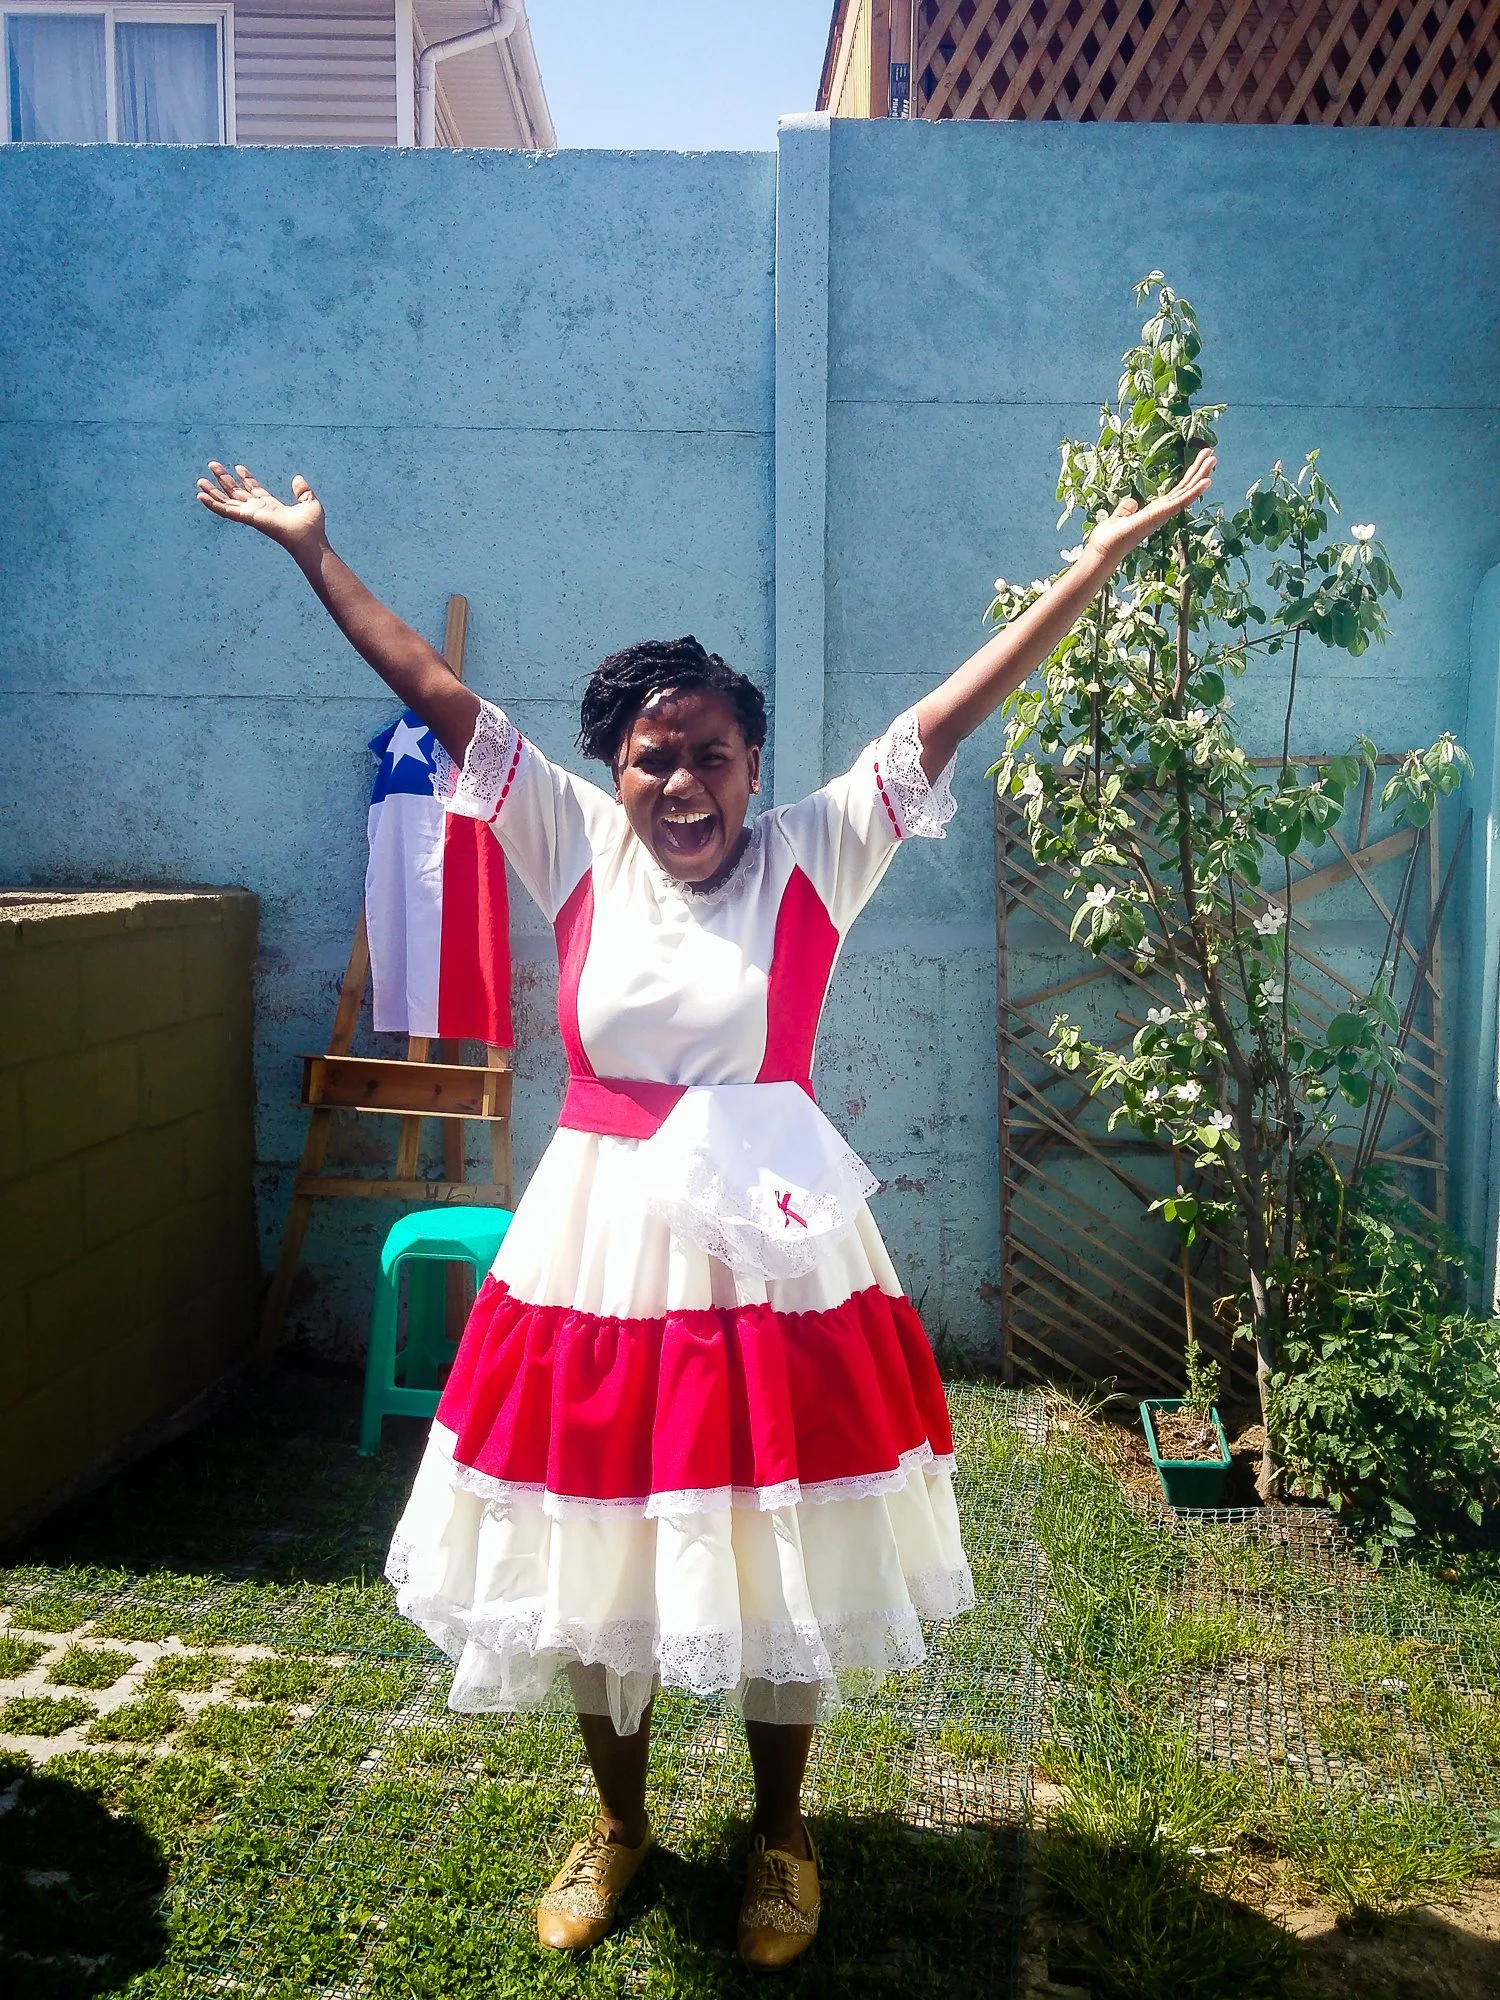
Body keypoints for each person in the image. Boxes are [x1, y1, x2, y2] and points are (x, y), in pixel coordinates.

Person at [196, 446, 1214, 1969]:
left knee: (771, 1537)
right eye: (652, 758)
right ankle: (617, 1825)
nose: (682, 784)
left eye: (713, 755)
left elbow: (956, 708)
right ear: (614, 772)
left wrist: (1101, 560)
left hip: (773, 1251)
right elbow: (433, 689)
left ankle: (783, 1836)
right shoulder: (570, 843)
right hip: (600, 1254)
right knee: (599, 1540)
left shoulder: (820, 850)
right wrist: (311, 550)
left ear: (753, 765)